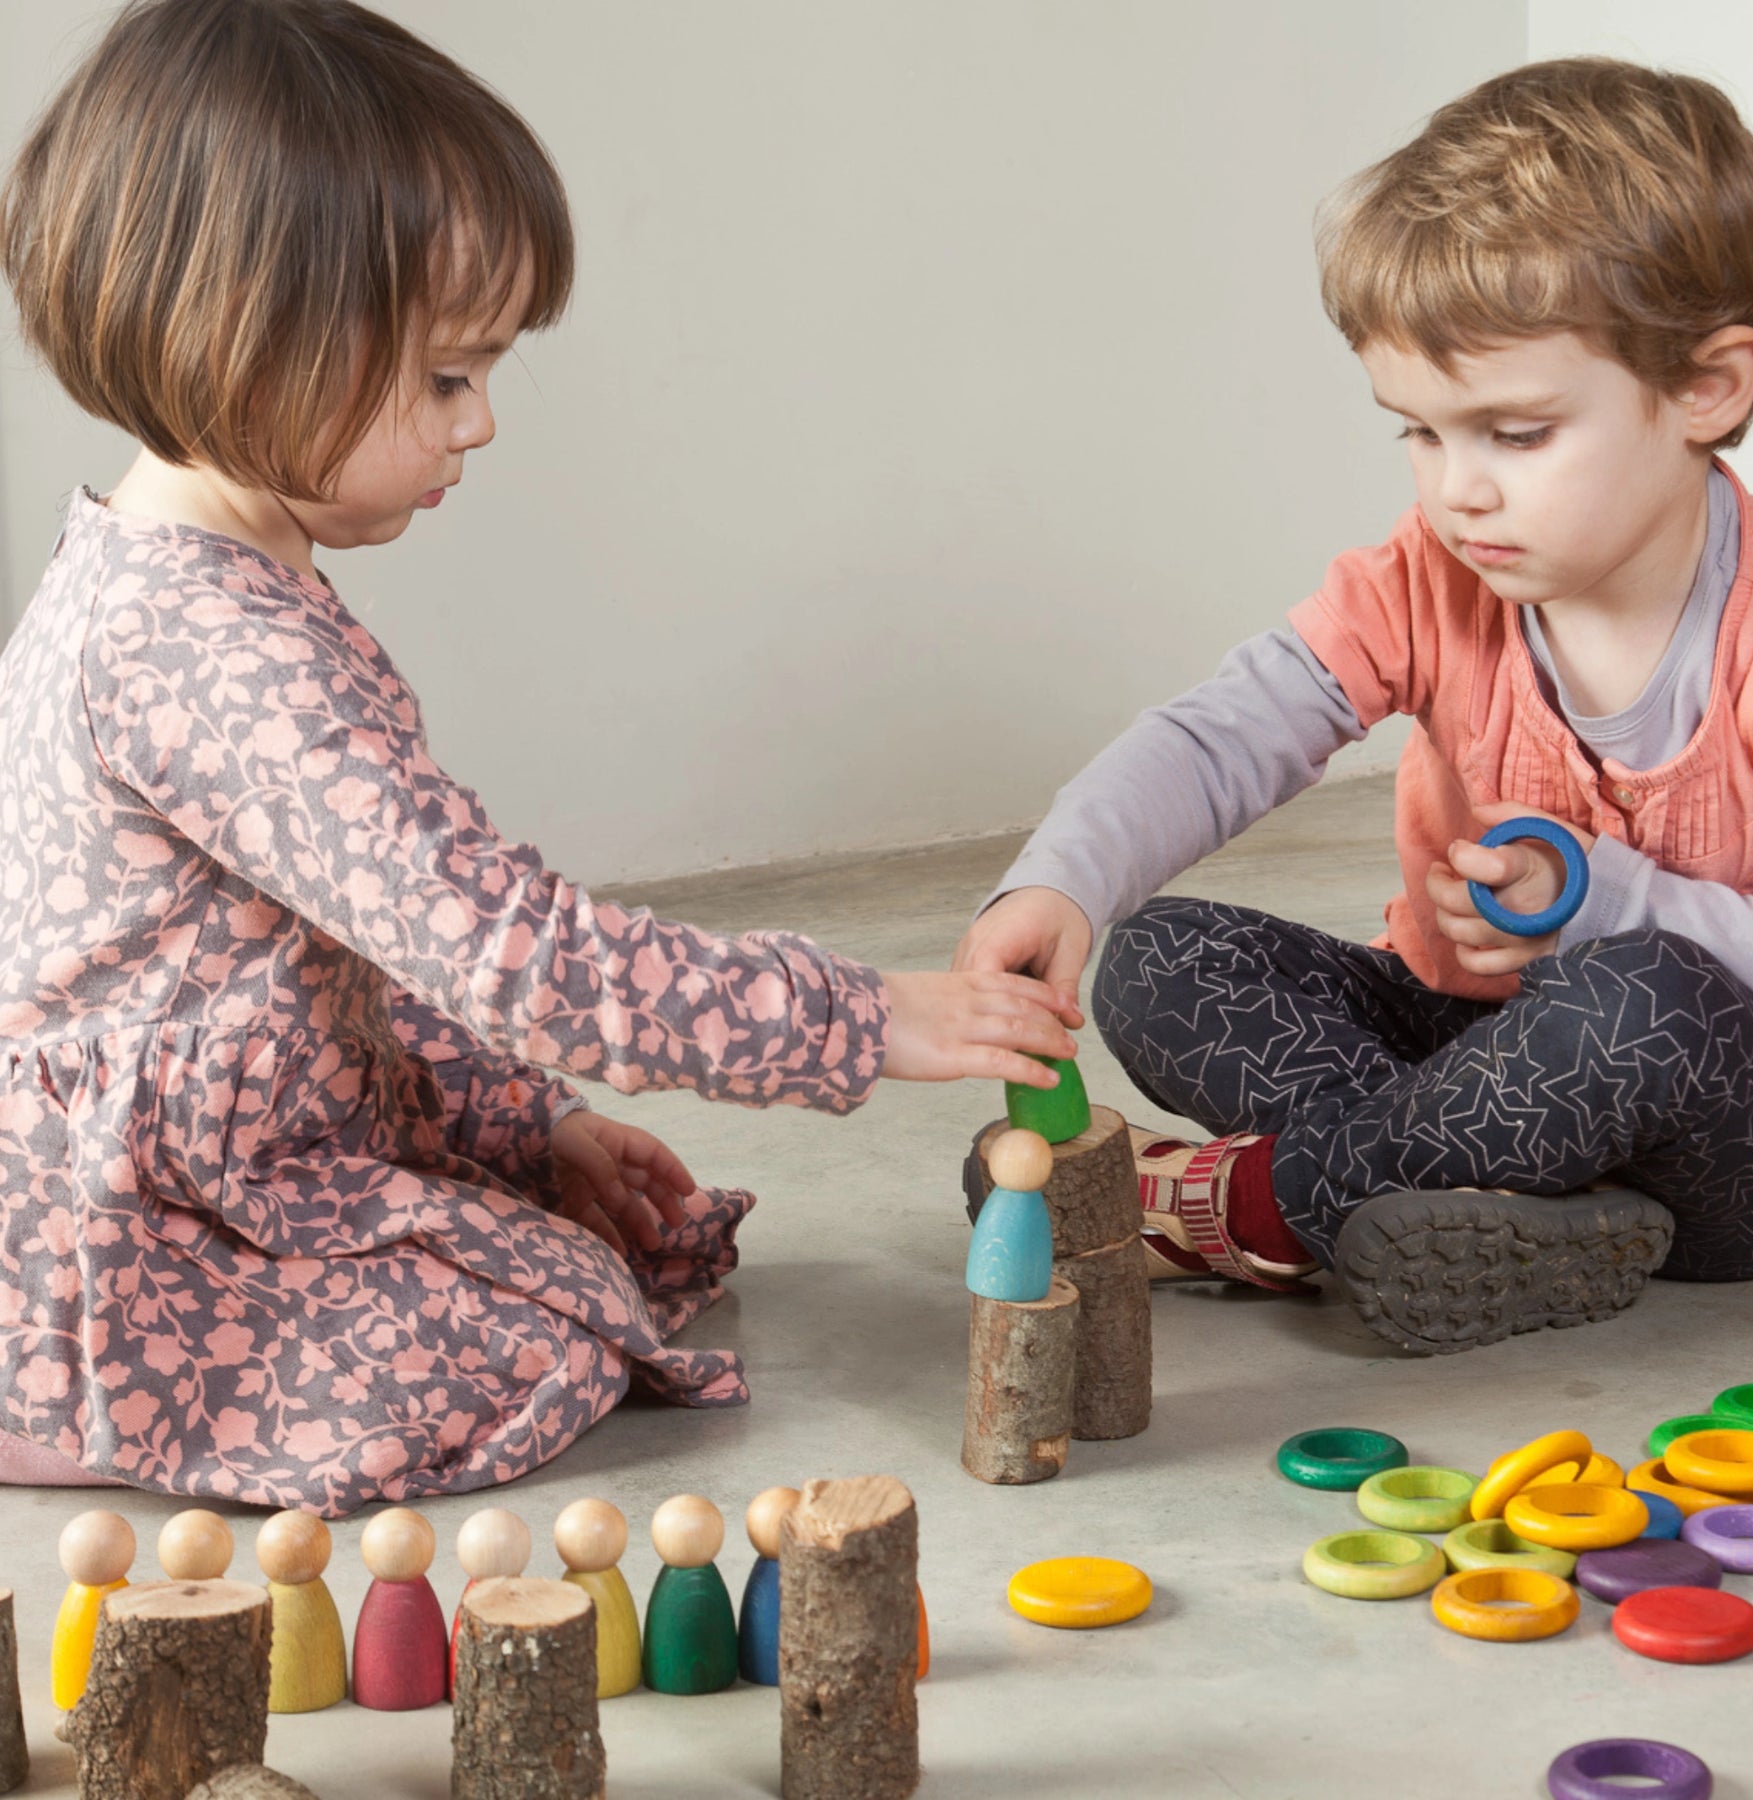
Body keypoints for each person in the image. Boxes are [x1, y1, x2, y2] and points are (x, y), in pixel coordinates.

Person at [0, 0, 1078, 1516]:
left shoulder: (166, 574)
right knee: (545, 1330)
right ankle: (75, 1392)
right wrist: (860, 1017)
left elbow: (339, 956)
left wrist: (528, 1119)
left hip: (216, 1132)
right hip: (130, 1223)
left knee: (569, 1247)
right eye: (448, 378)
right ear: (252, 344)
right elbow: (512, 951)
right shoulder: (215, 651)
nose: (483, 424)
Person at [956, 57, 1753, 1354]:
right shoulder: (1433, 576)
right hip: (1461, 1045)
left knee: (1635, 999)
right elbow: (1226, 732)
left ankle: (1256, 1207)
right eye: (1420, 432)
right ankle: (1487, 1211)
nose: (1458, 490)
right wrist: (1062, 879)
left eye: (1517, 434)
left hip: (1730, 1132)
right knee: (1164, 957)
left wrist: (1610, 901)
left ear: (1708, 387)